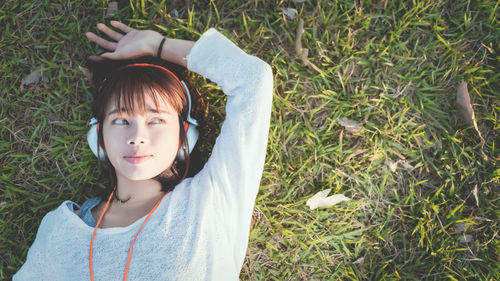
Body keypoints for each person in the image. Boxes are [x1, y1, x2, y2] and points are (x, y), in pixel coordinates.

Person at [14, 20, 273, 281]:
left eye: (156, 120)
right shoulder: (61, 230)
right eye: (121, 120)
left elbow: (252, 79)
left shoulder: (212, 199)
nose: (137, 137)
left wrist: (158, 45)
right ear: (99, 134)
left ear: (185, 133)